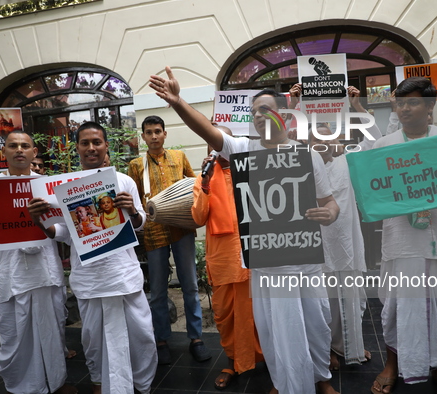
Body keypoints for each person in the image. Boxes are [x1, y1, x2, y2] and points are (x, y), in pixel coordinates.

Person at [150, 66, 340, 394]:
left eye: (266, 110)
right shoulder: (243, 151)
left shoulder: (307, 155)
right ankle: (284, 383)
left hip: (306, 263)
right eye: (254, 113)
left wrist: (329, 213)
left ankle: (320, 379)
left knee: (316, 326)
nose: (259, 117)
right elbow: (210, 133)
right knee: (276, 331)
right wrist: (178, 102)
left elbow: (331, 202)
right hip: (268, 268)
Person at [28, 122, 157, 394]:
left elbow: (141, 223)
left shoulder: (124, 181)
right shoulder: (65, 187)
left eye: (96, 142)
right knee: (94, 338)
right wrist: (40, 223)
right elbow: (63, 232)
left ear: (106, 145)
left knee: (140, 335)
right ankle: (100, 382)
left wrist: (132, 212)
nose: (91, 148)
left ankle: (141, 384)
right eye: (84, 143)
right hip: (89, 276)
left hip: (122, 273)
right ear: (77, 148)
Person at [371, 77, 437, 394]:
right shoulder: (383, 146)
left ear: (429, 106)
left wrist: (434, 193)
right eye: (400, 102)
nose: (405, 108)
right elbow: (373, 194)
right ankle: (392, 364)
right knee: (395, 307)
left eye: (413, 102)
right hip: (399, 241)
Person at [0, 131, 75, 394]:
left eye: (25, 146)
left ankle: (56, 383)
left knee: (52, 331)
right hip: (10, 272)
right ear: (4, 153)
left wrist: (48, 227)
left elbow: (64, 227)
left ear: (34, 153)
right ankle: (23, 387)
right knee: (15, 334)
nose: (19, 150)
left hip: (45, 271)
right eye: (13, 146)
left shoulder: (48, 185)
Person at [127, 115, 210, 365]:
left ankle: (196, 338)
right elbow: (134, 199)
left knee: (190, 285)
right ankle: (161, 339)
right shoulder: (135, 165)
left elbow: (193, 187)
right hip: (153, 232)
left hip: (181, 229)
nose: (153, 136)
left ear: (164, 134)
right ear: (143, 137)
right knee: (159, 290)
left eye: (157, 131)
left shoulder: (178, 157)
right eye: (148, 132)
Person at [191, 125, 264, 390]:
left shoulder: (249, 170)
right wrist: (207, 184)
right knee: (225, 316)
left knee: (257, 315)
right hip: (222, 259)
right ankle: (234, 361)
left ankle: (263, 356)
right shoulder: (203, 180)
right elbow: (198, 218)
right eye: (211, 142)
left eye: (220, 141)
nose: (216, 146)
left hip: (253, 255)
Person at [308, 123, 370, 369]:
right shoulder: (304, 164)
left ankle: (348, 345)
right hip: (318, 247)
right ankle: (326, 351)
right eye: (316, 139)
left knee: (353, 299)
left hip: (346, 245)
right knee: (323, 302)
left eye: (327, 138)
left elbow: (373, 142)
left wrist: (357, 107)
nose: (322, 143)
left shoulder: (348, 161)